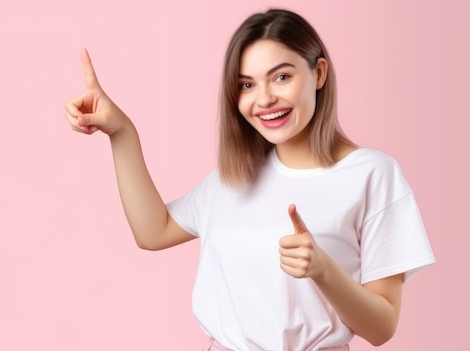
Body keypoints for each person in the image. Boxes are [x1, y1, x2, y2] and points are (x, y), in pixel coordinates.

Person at [64, 8, 435, 351]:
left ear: (319, 73)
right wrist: (122, 133)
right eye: (246, 85)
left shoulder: (372, 174)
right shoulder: (235, 177)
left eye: (282, 77)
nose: (265, 99)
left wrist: (323, 271)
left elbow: (382, 327)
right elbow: (153, 231)